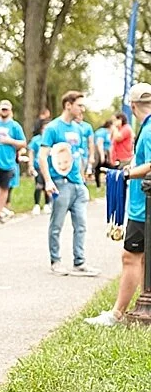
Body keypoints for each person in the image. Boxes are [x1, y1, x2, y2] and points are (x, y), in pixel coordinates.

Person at [89, 86, 151, 325]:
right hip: (142, 205)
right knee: (143, 258)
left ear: (132, 107)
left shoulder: (148, 130)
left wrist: (124, 175)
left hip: (144, 207)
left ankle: (116, 314)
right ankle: (144, 307)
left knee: (130, 257)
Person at [40, 90, 98, 276]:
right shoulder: (53, 128)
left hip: (77, 184)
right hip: (60, 183)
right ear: (68, 105)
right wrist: (48, 181)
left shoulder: (78, 129)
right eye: (79, 105)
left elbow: (77, 156)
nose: (82, 109)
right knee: (56, 224)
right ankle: (55, 261)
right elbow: (42, 156)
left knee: (81, 225)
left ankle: (79, 261)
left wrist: (82, 181)